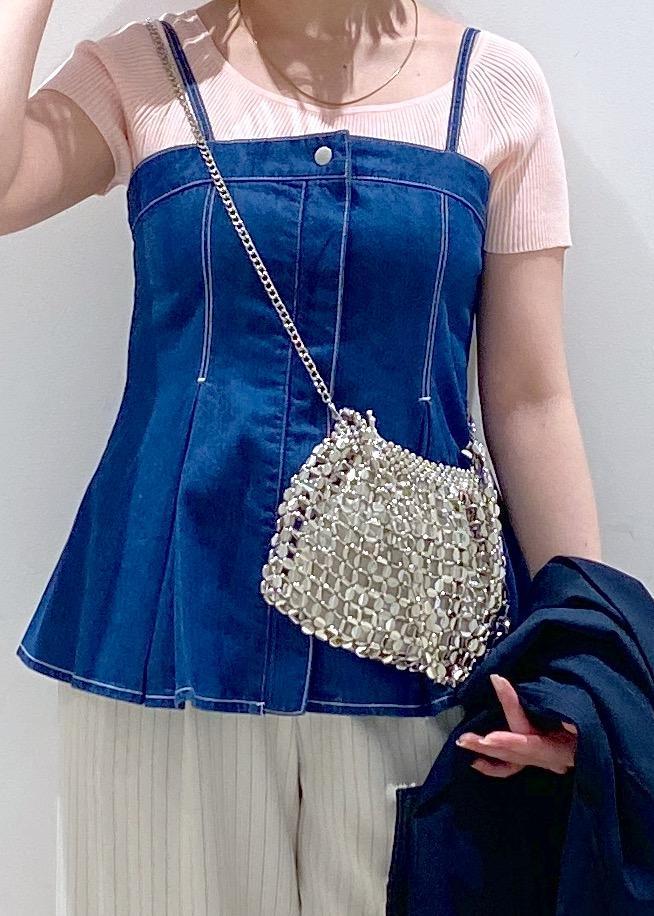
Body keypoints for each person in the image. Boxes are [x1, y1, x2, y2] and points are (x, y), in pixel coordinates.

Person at [2, 1, 602, 913]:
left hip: (414, 654)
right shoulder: (142, 73)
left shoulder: (493, 87)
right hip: (166, 640)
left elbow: (530, 399)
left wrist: (583, 667)